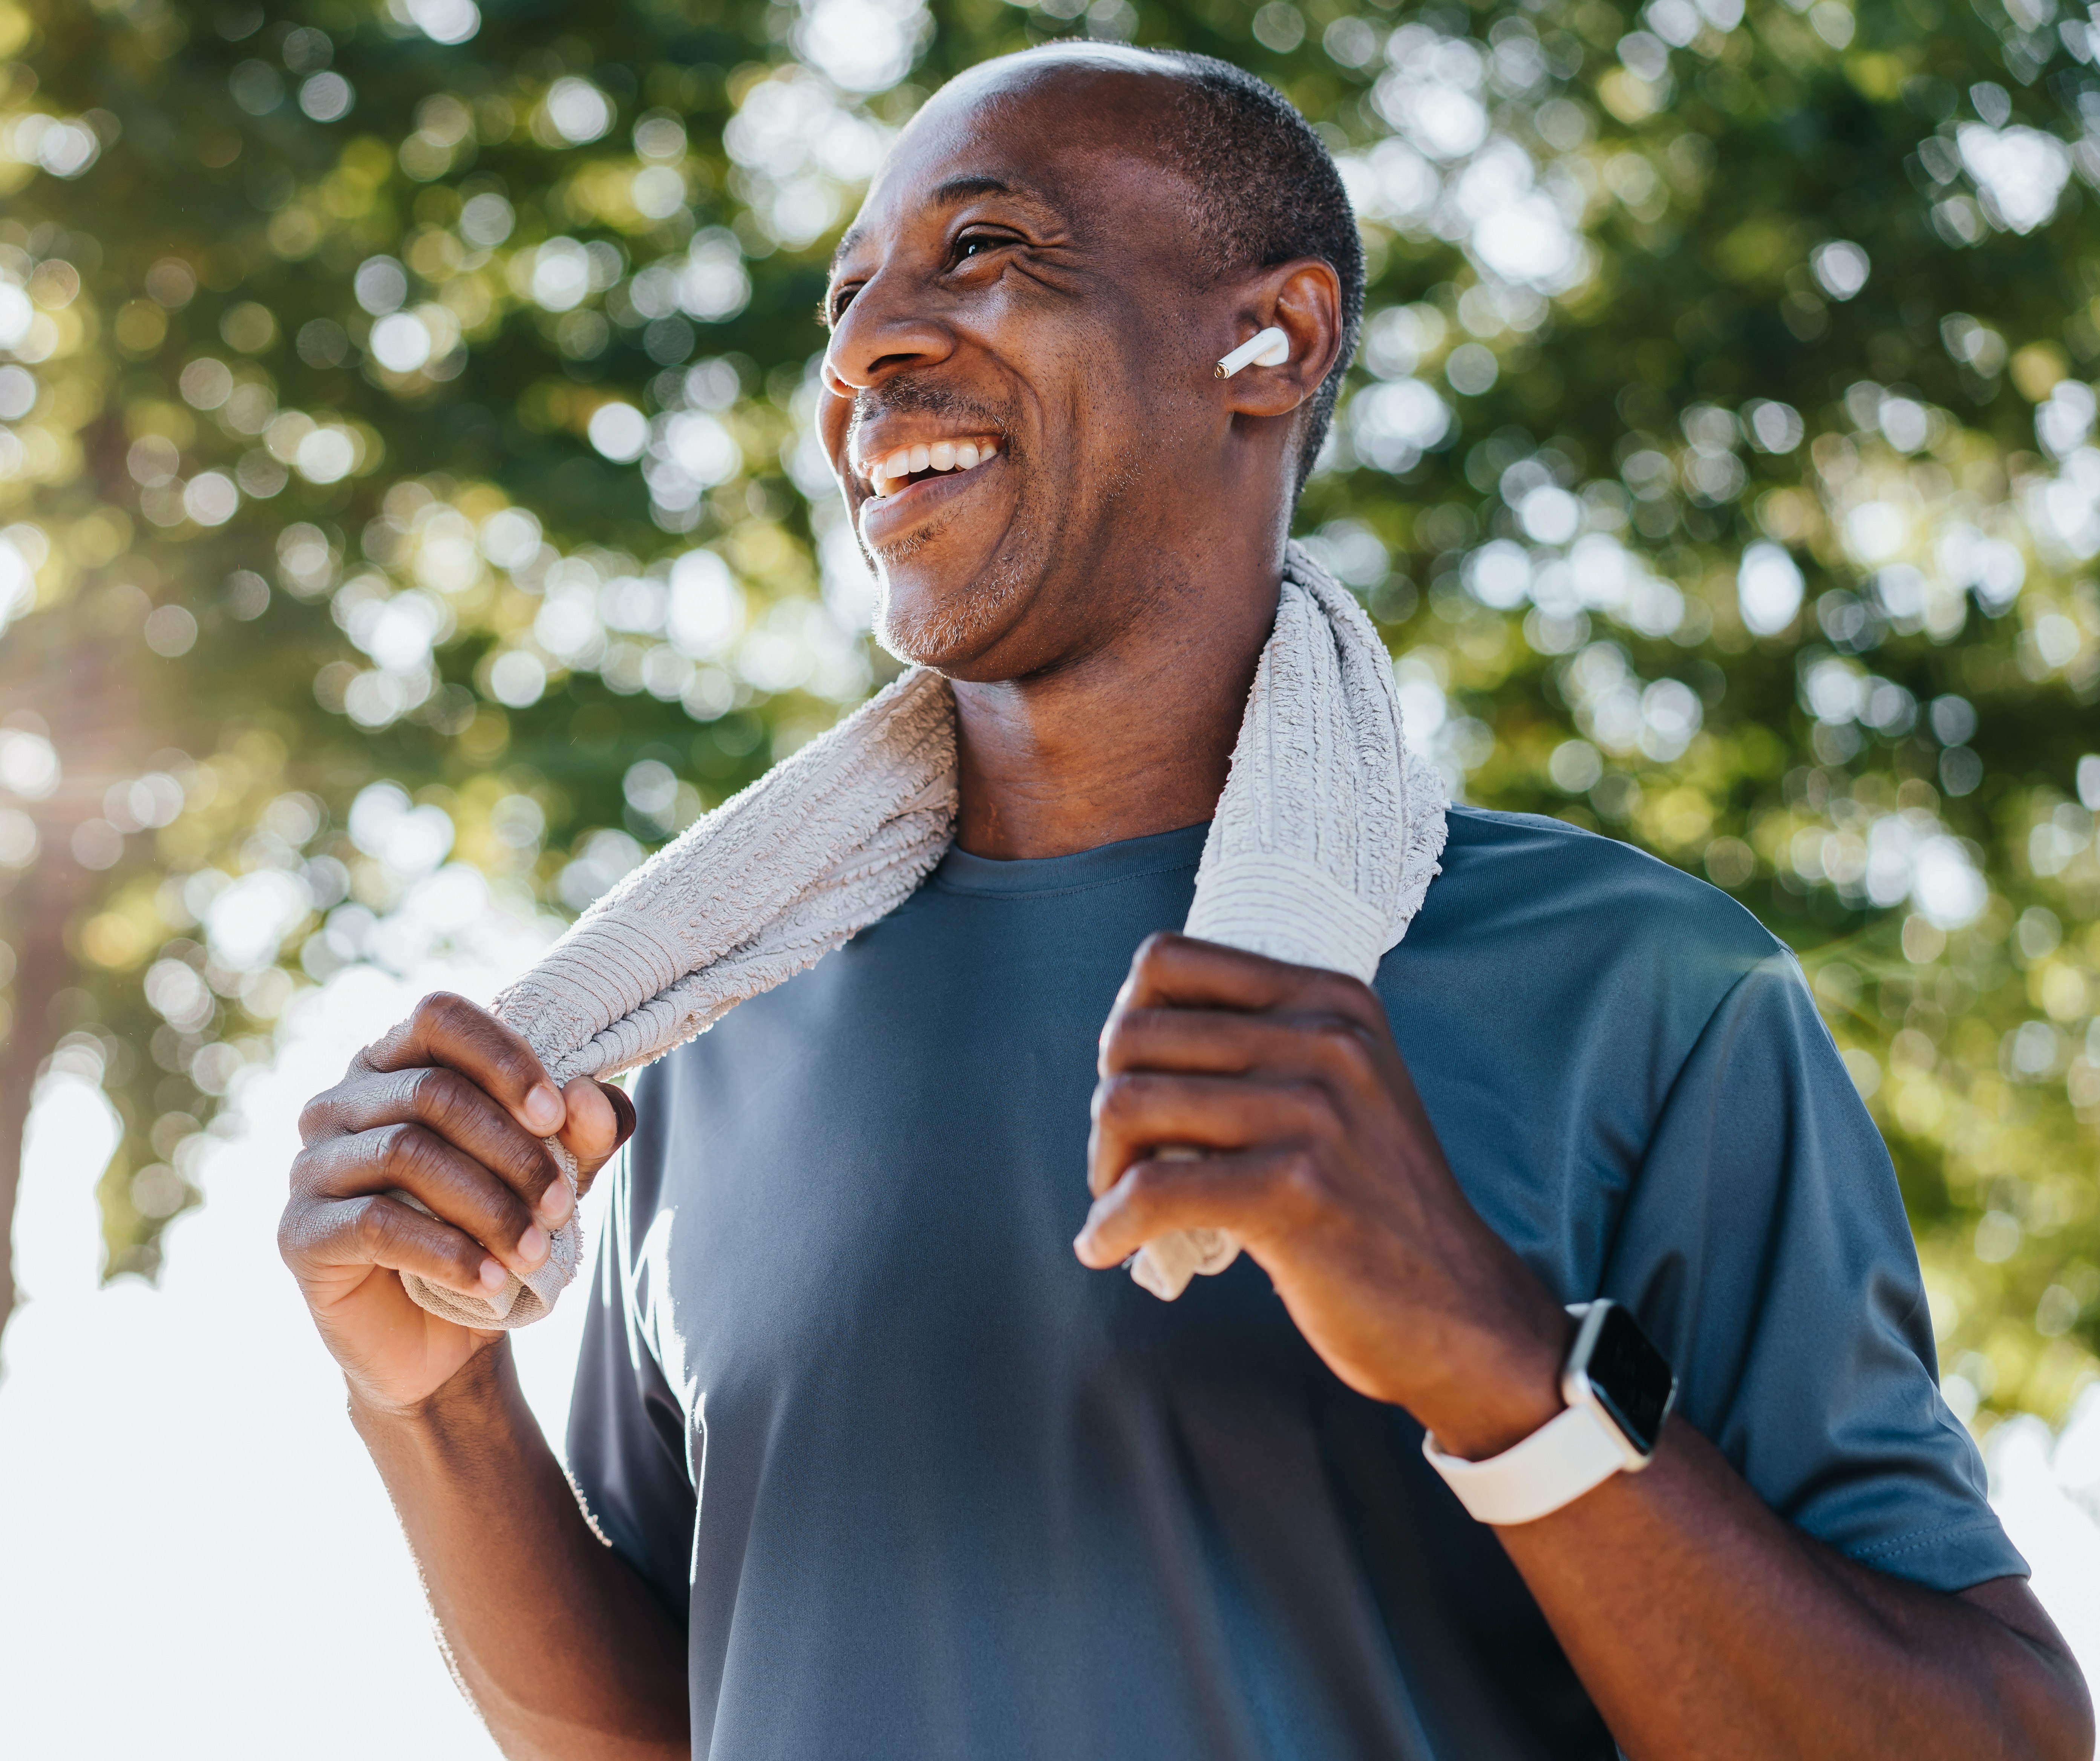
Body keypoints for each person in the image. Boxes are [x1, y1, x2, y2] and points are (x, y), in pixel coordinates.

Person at [280, 43, 2092, 1761]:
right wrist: (431, 1403)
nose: (869, 351)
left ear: (1268, 341)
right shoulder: (697, 1029)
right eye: (846, 302)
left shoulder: (1637, 990)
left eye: (982, 250)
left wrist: (1497, 1361)